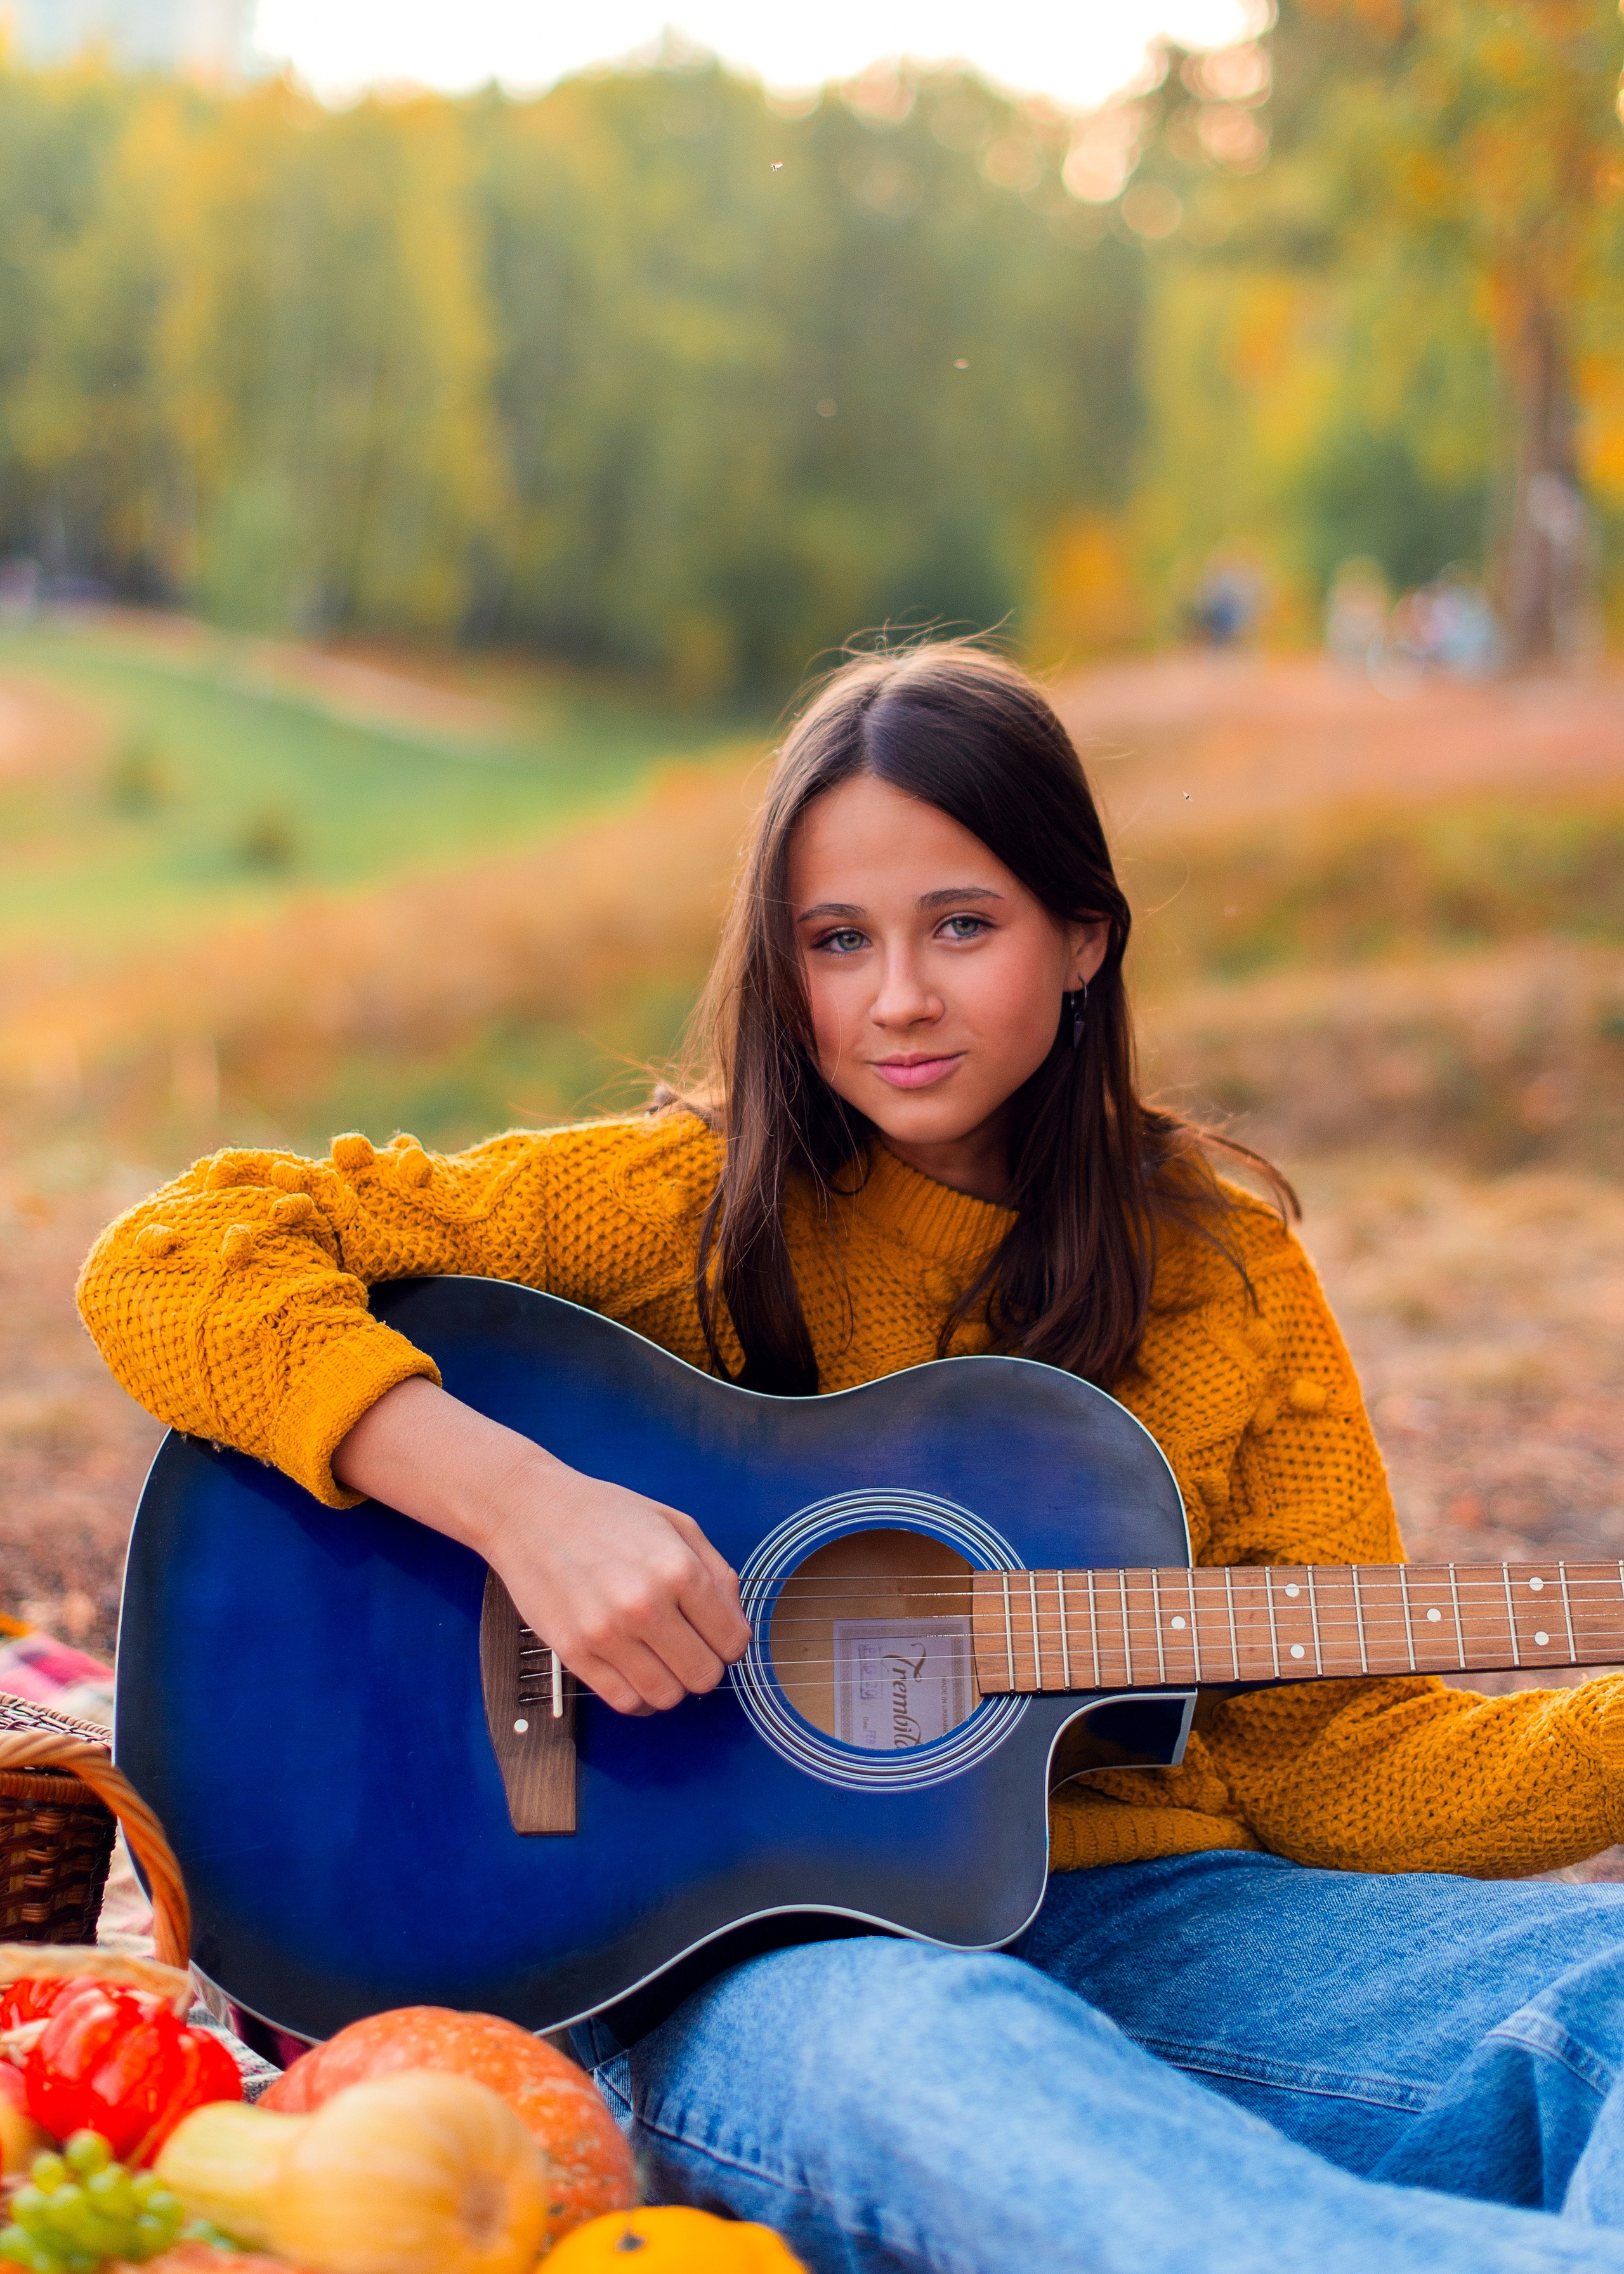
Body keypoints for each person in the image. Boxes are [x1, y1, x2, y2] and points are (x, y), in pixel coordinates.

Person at [79, 643, 1624, 2273]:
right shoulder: (680, 1201)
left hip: (1166, 1924)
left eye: (961, 925)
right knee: (946, 2063)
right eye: (836, 941)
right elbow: (176, 1255)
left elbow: (1329, 1755)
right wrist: (527, 1509)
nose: (896, 996)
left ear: (1080, 936)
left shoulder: (1221, 1271)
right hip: (742, 1967)